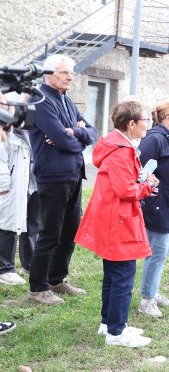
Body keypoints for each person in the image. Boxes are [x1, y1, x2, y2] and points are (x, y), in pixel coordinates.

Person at [74, 100, 157, 348]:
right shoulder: (122, 150)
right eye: (145, 120)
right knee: (123, 275)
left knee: (113, 274)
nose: (147, 124)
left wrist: (141, 180)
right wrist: (148, 186)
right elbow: (125, 190)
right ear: (131, 124)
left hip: (112, 217)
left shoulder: (117, 145)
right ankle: (116, 332)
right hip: (118, 220)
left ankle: (108, 323)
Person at [28, 54, 97, 305]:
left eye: (71, 73)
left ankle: (57, 280)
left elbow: (93, 132)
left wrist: (76, 131)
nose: (70, 77)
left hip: (74, 173)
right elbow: (62, 138)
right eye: (64, 72)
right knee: (50, 233)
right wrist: (74, 137)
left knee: (70, 231)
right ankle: (38, 288)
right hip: (53, 176)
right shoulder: (41, 99)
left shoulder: (66, 100)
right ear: (49, 74)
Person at [136, 99, 169, 318]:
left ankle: (153, 291)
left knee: (162, 251)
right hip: (157, 205)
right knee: (157, 252)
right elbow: (140, 171)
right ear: (168, 118)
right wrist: (150, 194)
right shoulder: (155, 140)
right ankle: (147, 299)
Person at [0, 93, 36, 285]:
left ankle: (9, 266)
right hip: (8, 185)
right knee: (7, 223)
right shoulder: (5, 134)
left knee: (16, 222)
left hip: (22, 183)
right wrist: (4, 185)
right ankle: (4, 268)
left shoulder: (24, 134)